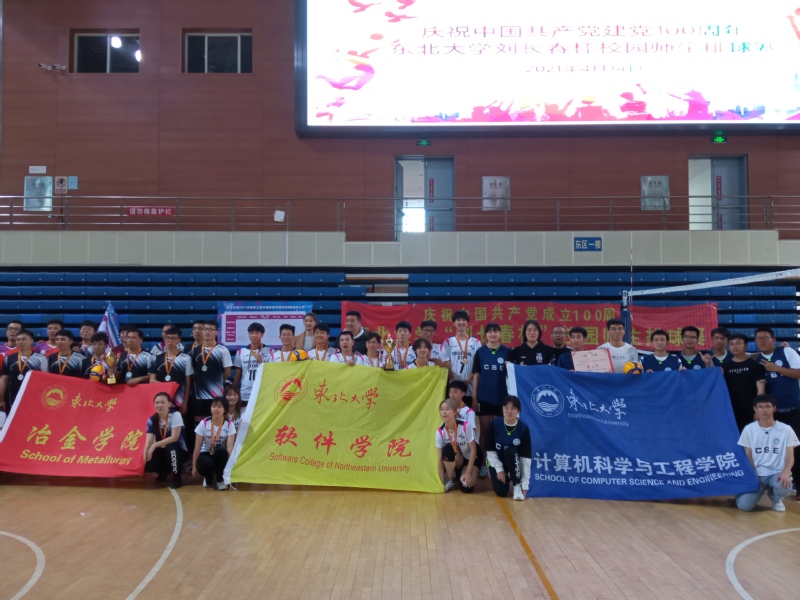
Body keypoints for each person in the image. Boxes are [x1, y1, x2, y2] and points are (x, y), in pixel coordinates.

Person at [754, 326, 800, 497]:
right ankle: (778, 487)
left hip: (795, 409)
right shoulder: (757, 360)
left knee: (797, 448)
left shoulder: (787, 352)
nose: (761, 341)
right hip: (774, 414)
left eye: (765, 338)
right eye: (758, 338)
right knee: (777, 450)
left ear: (773, 339)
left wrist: (777, 368)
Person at [736, 395, 798, 512]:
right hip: (757, 473)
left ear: (774, 408)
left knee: (785, 486)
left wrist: (785, 472)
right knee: (744, 506)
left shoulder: (786, 429)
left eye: (767, 406)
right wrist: (753, 476)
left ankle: (776, 498)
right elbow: (748, 457)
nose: (764, 410)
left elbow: (790, 457)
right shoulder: (749, 429)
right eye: (760, 407)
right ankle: (742, 492)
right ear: (755, 409)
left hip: (777, 472)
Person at [472, 322, 512, 477]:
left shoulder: (507, 352)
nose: (492, 334)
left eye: (495, 331)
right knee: (484, 432)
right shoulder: (480, 352)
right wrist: (474, 397)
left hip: (502, 399)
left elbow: (512, 375)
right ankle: (482, 464)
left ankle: (498, 466)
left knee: (498, 433)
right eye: (489, 332)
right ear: (486, 335)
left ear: (500, 333)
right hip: (484, 398)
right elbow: (476, 376)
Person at [485, 395, 532, 500]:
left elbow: (525, 458)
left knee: (510, 451)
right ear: (502, 408)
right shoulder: (494, 425)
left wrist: (525, 483)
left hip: (514, 463)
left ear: (518, 411)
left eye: (513, 408)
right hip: (496, 463)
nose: (509, 411)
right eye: (506, 408)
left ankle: (516, 484)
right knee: (501, 491)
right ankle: (507, 477)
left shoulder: (523, 429)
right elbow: (490, 450)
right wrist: (499, 469)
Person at [721, 334, 766, 433]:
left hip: (751, 411)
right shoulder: (725, 367)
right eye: (731, 344)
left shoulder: (756, 366)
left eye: (738, 343)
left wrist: (759, 410)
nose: (735, 346)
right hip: (732, 411)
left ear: (746, 345)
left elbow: (761, 390)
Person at [435, 398, 481, 493]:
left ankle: (462, 475)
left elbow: (474, 449)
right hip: (457, 459)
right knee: (447, 448)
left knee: (466, 487)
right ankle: (451, 479)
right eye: (442, 409)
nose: (444, 412)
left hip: (470, 458)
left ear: (455, 412)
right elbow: (439, 458)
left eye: (447, 409)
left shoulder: (465, 426)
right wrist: (441, 482)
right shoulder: (440, 431)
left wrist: (468, 472)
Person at [192, 396, 236, 490]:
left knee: (221, 452)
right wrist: (194, 467)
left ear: (225, 409)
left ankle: (220, 479)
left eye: (219, 407)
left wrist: (230, 466)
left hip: (220, 454)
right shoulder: (204, 423)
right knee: (205, 464)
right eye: (214, 406)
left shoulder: (229, 424)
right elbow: (197, 446)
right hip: (206, 452)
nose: (216, 409)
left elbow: (230, 447)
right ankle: (208, 477)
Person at [143, 391, 185, 489]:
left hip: (177, 448)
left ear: (169, 404)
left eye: (162, 402)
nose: (159, 405)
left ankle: (177, 478)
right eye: (157, 403)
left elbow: (174, 437)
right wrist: (144, 458)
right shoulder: (151, 419)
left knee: (172, 449)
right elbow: (149, 441)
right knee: (149, 461)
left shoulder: (175, 415)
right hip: (161, 447)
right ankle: (162, 473)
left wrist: (154, 446)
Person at [0, 329, 46, 412]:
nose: (20, 342)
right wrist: (1, 399)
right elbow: (4, 380)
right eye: (18, 340)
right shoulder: (9, 358)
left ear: (31, 341)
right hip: (12, 397)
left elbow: (46, 380)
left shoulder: (41, 359)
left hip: (33, 397)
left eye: (24, 339)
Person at [149, 326, 193, 411]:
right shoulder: (157, 358)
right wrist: (168, 386)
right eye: (167, 338)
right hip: (161, 399)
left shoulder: (186, 358)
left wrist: (185, 401)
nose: (170, 340)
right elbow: (152, 380)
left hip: (179, 399)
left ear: (179, 340)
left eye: (173, 338)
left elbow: (188, 382)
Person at [441, 310, 481, 399]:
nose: (461, 322)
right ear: (454, 323)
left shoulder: (476, 342)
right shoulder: (448, 341)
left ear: (467, 323)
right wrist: (453, 380)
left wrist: (468, 380)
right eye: (458, 320)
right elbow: (446, 364)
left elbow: (478, 365)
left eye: (463, 320)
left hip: (470, 387)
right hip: (453, 386)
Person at [233, 322, 270, 404]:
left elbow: (271, 372)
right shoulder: (240, 352)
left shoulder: (270, 351)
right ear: (248, 334)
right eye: (251, 333)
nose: (253, 335)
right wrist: (234, 390)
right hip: (245, 393)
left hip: (262, 391)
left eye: (257, 333)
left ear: (262, 334)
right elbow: (238, 374)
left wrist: (261, 362)